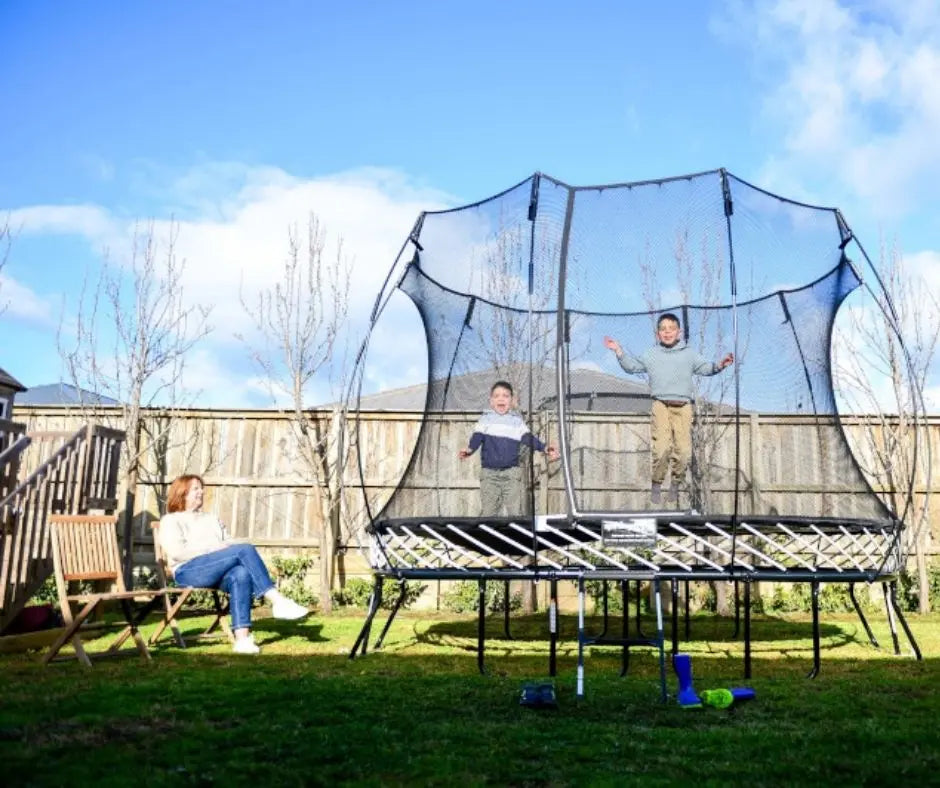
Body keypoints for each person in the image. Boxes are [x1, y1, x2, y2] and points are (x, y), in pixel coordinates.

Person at [159, 474, 309, 655]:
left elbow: (227, 544)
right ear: (182, 493)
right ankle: (277, 601)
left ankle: (242, 640)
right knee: (244, 549)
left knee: (240, 574)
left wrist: (224, 547)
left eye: (201, 488)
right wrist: (214, 548)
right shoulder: (171, 520)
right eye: (196, 489)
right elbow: (177, 553)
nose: (202, 492)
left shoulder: (211, 519)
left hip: (214, 570)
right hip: (188, 571)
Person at [604, 313, 733, 506]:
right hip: (661, 405)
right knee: (662, 449)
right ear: (658, 333)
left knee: (683, 452)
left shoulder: (689, 354)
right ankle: (656, 483)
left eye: (671, 328)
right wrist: (619, 351)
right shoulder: (652, 354)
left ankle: (675, 482)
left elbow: (706, 368)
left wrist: (719, 365)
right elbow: (632, 367)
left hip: (683, 407)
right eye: (663, 329)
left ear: (679, 332)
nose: (667, 332)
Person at [458, 380, 559, 516]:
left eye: (505, 396)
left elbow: (527, 438)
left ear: (511, 401)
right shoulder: (485, 419)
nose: (501, 399)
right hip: (489, 475)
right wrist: (469, 450)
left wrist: (544, 448)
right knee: (489, 511)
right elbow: (477, 437)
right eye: (497, 396)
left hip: (511, 474)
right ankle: (489, 535)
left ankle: (514, 534)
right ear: (491, 401)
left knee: (515, 511)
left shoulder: (516, 421)